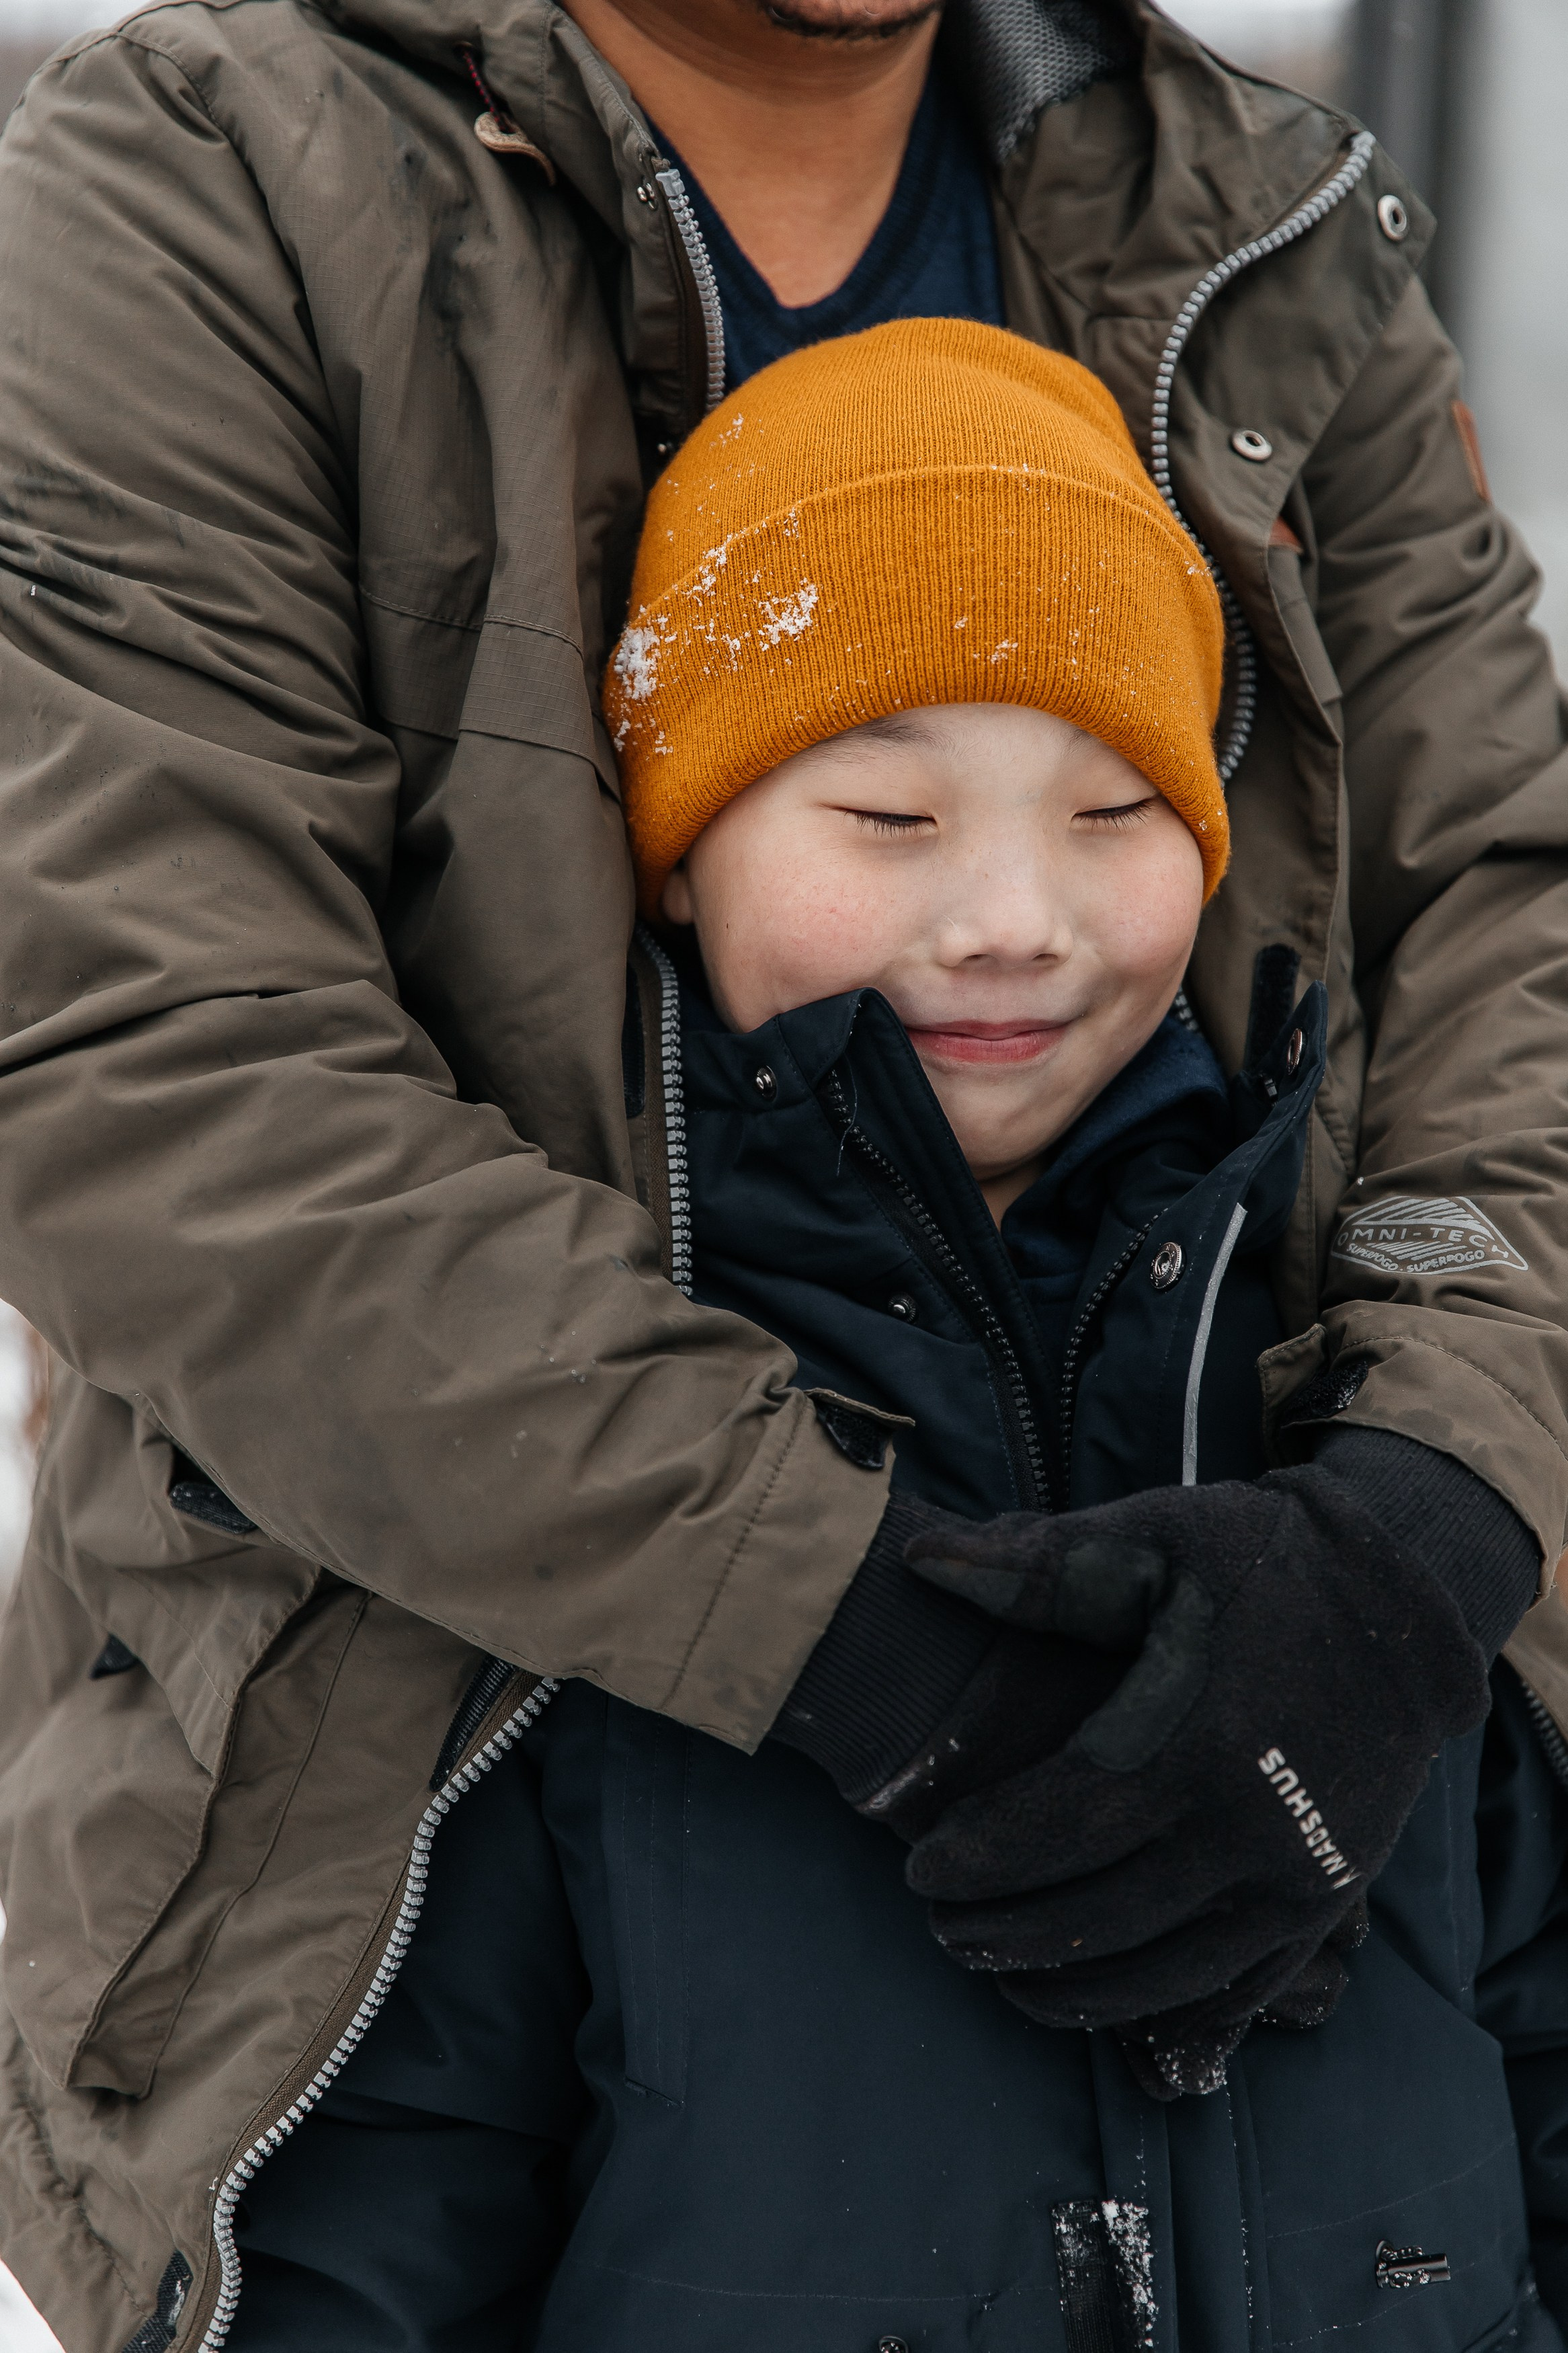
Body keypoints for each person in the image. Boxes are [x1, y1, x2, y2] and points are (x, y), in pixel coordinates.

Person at [0, 0, 1566, 2346]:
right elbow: (151, 1050)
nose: (1012, 912)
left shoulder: (1254, 217)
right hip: (445, 1793)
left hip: (1273, 1680)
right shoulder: (220, 175)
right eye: (893, 813)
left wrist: (1425, 1522)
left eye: (1110, 812)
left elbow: (1504, 918)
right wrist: (875, 1635)